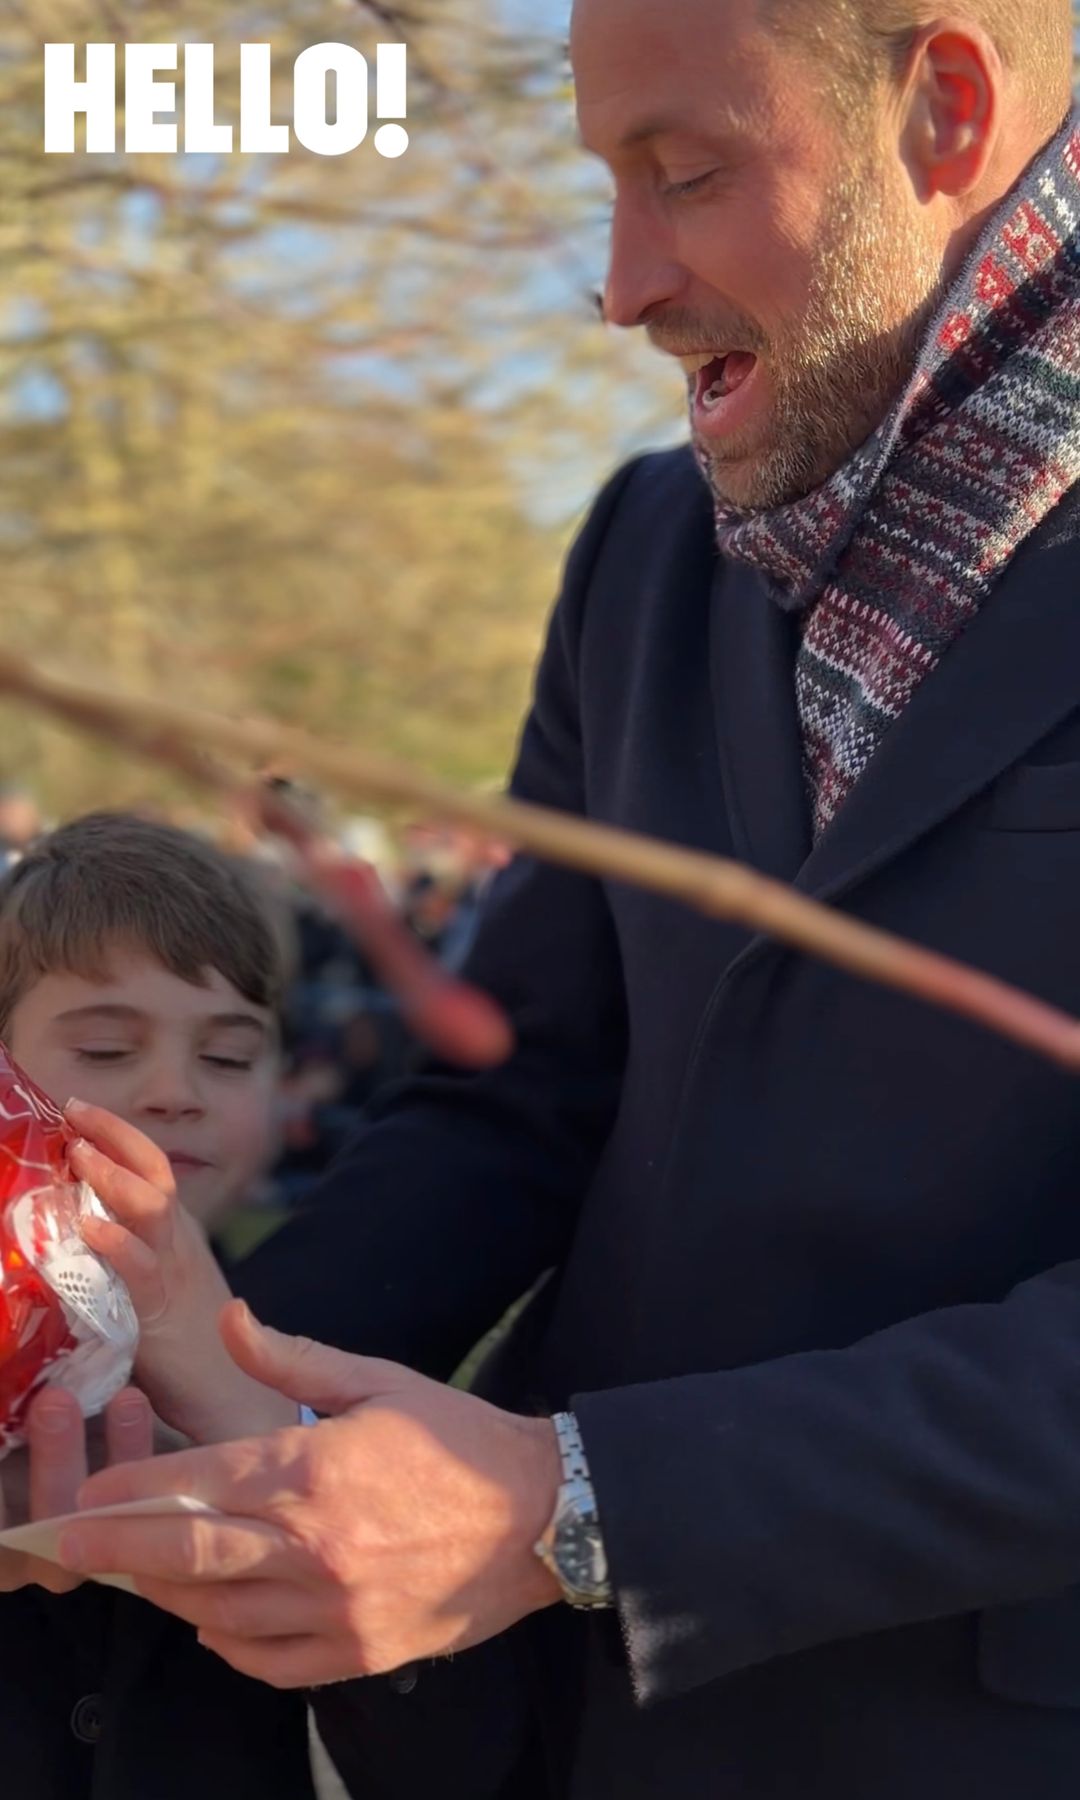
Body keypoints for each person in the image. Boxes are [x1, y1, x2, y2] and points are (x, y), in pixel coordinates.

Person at [48, 4, 1080, 1797]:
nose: (620, 287)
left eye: (685, 175)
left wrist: (583, 1506)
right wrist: (136, 1361)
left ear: (947, 111)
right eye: (608, 178)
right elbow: (519, 1100)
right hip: (564, 1732)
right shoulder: (645, 554)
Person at [0, 812, 314, 1800]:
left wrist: (267, 1437)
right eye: (105, 1049)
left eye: (228, 1057)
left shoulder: (333, 1355)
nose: (175, 1091)